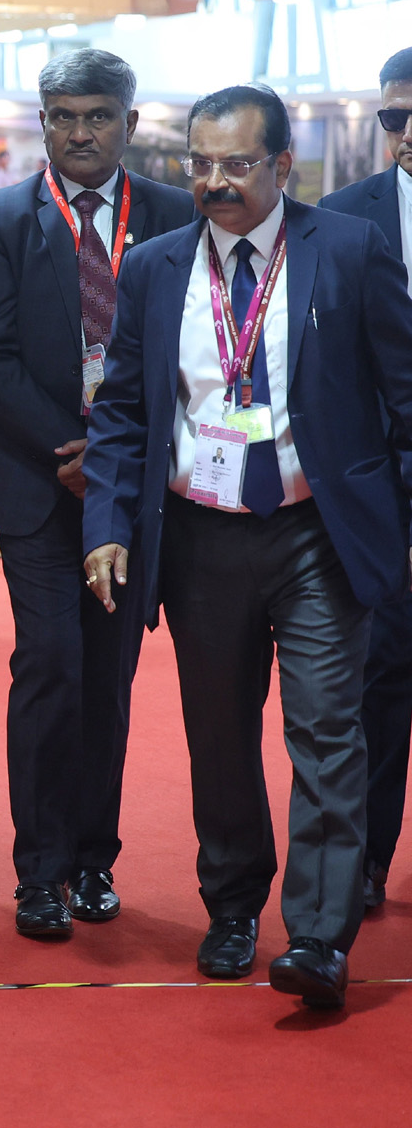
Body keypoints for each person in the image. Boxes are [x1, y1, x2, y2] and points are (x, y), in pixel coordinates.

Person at [83, 82, 412, 1011]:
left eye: (236, 164)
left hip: (318, 534)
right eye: (200, 164)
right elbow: (122, 414)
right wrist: (107, 526)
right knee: (220, 735)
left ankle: (319, 938)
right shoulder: (153, 268)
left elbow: (404, 394)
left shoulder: (350, 249)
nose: (214, 182)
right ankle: (232, 908)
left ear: (283, 165)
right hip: (199, 538)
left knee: (328, 732)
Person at [0, 49, 194, 939]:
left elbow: (189, 351)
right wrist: (74, 449)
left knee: (108, 676)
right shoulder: (2, 218)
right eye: (63, 116)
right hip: (36, 483)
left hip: (132, 491)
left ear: (129, 123)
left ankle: (95, 861)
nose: (80, 132)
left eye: (98, 116)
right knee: (50, 664)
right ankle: (40, 871)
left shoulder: (173, 215)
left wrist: (113, 456)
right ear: (43, 123)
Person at [316, 45, 412, 917]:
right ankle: (370, 859)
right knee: (382, 675)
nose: (407, 132)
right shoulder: (343, 221)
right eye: (394, 117)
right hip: (382, 484)